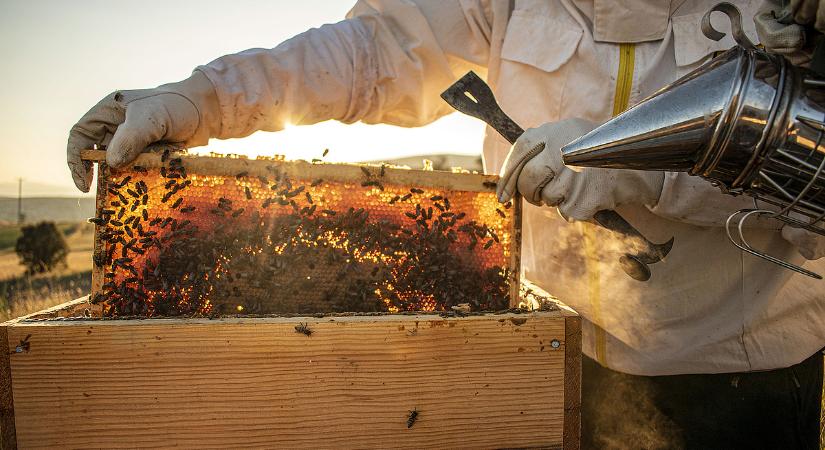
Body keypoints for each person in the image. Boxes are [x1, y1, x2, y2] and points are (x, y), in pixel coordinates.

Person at [67, 0, 825, 447]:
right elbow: (377, 49)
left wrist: (639, 162)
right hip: (543, 353)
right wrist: (198, 100)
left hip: (739, 376)